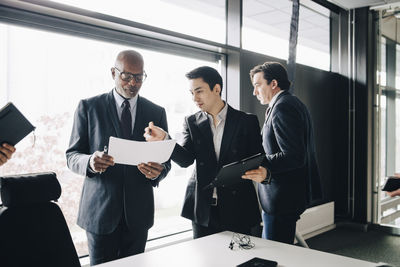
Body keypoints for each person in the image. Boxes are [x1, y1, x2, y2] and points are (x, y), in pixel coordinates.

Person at [66, 50, 171, 265]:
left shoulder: (156, 112)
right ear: (113, 72)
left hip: (138, 215)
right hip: (100, 213)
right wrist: (90, 162)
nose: (133, 82)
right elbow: (72, 155)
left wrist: (158, 172)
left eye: (139, 77)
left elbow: (166, 159)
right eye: (126, 76)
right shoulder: (88, 107)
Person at [144, 66, 262, 239]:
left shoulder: (246, 121)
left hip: (238, 206)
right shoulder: (191, 121)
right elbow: (185, 160)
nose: (194, 98)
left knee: (238, 261)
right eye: (191, 93)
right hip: (203, 208)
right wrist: (165, 139)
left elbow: (257, 158)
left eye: (199, 91)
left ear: (217, 89)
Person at [242, 62, 322, 244]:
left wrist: (259, 162)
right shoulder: (290, 103)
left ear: (273, 83)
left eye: (257, 85)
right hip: (286, 195)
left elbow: (294, 155)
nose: (255, 92)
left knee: (274, 255)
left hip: (282, 197)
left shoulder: (283, 107)